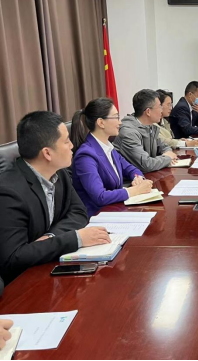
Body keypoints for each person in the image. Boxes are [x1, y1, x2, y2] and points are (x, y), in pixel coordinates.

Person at [0, 112, 111, 284]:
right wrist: (75, 239)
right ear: (47, 153)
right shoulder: (9, 191)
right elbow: (14, 258)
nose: (72, 145)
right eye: (66, 141)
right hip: (23, 283)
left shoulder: (59, 172)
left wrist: (52, 236)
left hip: (48, 265)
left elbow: (79, 212)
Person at [71, 98, 154, 216]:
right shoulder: (85, 156)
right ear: (101, 122)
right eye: (116, 117)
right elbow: (100, 196)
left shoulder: (108, 147)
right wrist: (134, 190)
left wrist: (138, 179)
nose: (120, 123)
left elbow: (130, 169)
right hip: (97, 216)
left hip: (115, 209)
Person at [113, 89, 178, 174]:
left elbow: (164, 146)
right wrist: (167, 158)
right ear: (148, 112)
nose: (161, 110)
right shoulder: (128, 132)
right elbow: (146, 164)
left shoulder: (150, 126)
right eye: (159, 107)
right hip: (132, 179)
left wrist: (167, 152)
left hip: (148, 175)